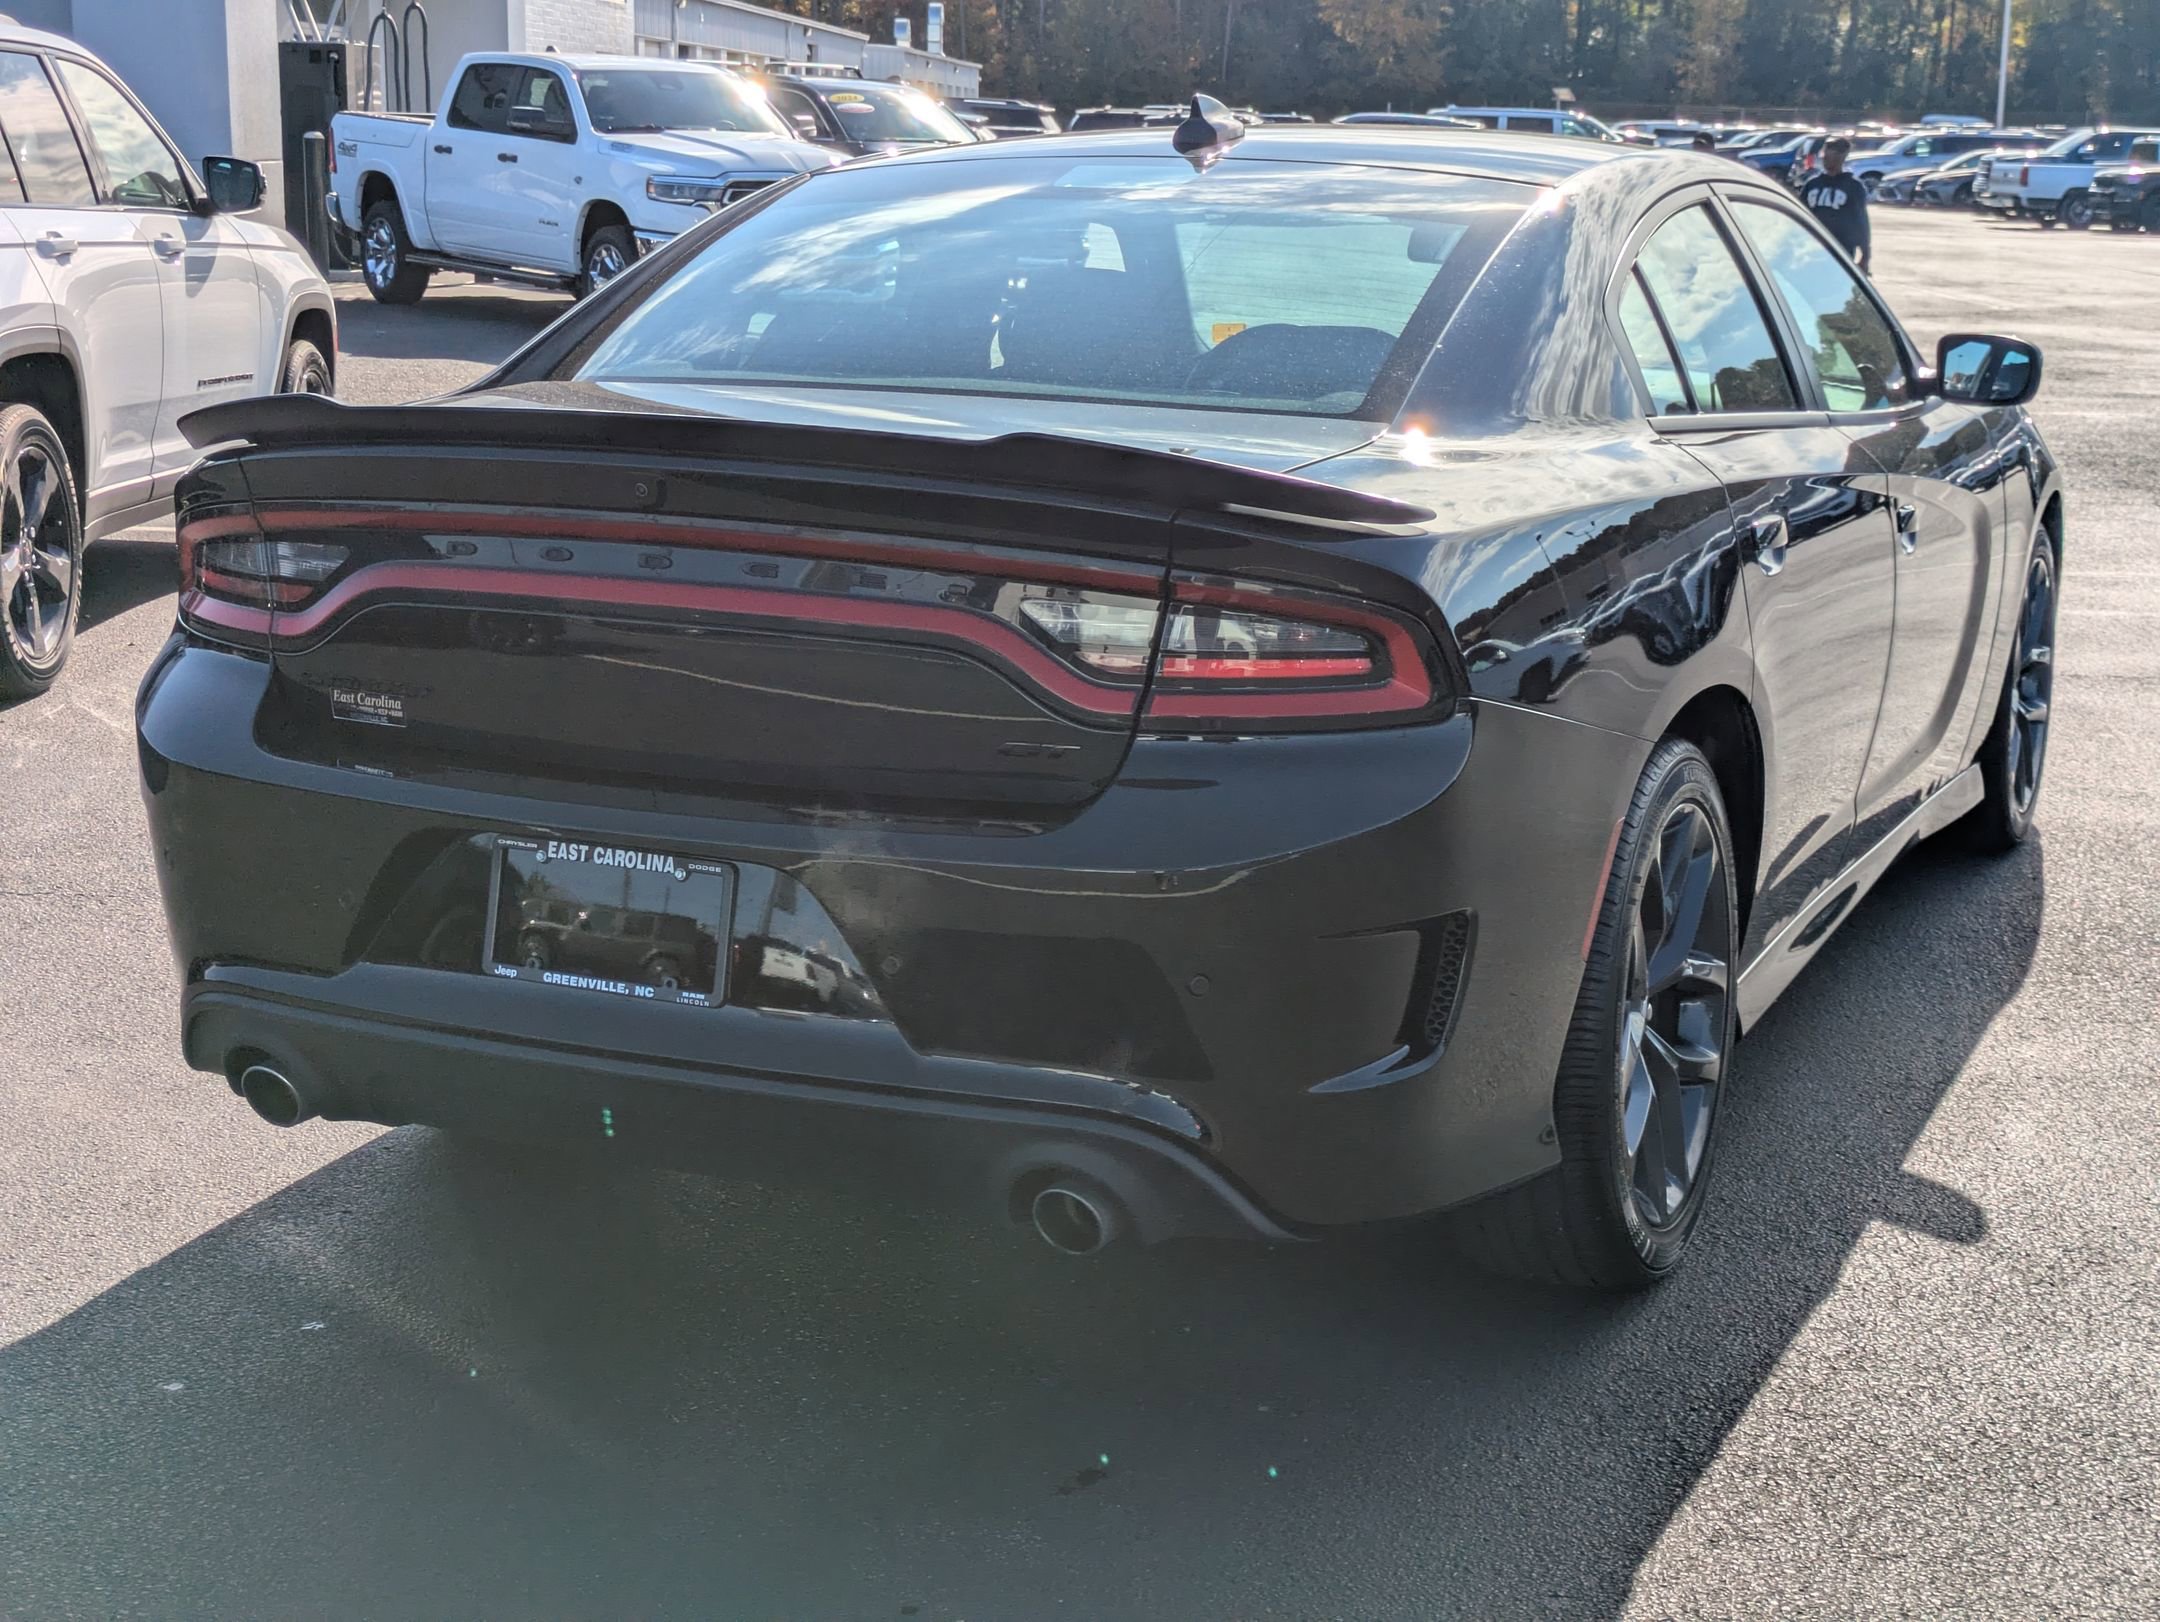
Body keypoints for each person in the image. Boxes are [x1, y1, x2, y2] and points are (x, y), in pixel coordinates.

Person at [1800, 136, 1871, 272]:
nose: (1826, 159)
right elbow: (1800, 216)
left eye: (1832, 156)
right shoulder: (1812, 184)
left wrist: (1865, 256)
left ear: (1842, 158)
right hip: (1812, 250)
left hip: (1842, 250)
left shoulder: (1853, 187)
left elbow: (1861, 222)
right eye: (1825, 155)